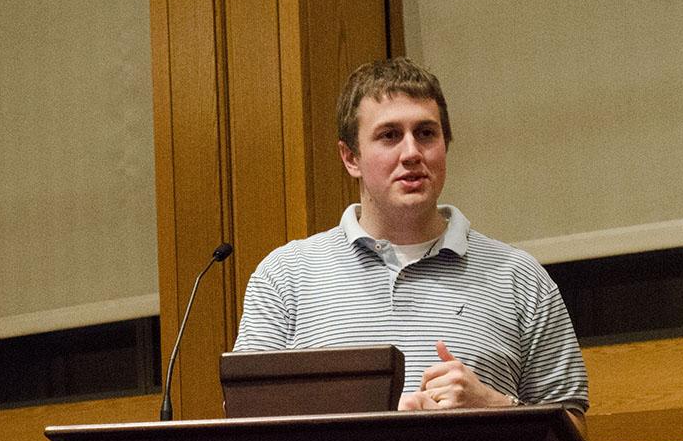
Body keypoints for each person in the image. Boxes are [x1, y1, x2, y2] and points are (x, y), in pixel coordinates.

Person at [233, 57, 588, 416]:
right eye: (389, 136)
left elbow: (573, 427)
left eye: (426, 133)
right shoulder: (286, 276)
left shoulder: (519, 277)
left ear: (444, 145)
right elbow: (247, 424)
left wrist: (495, 406)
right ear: (350, 158)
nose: (412, 153)